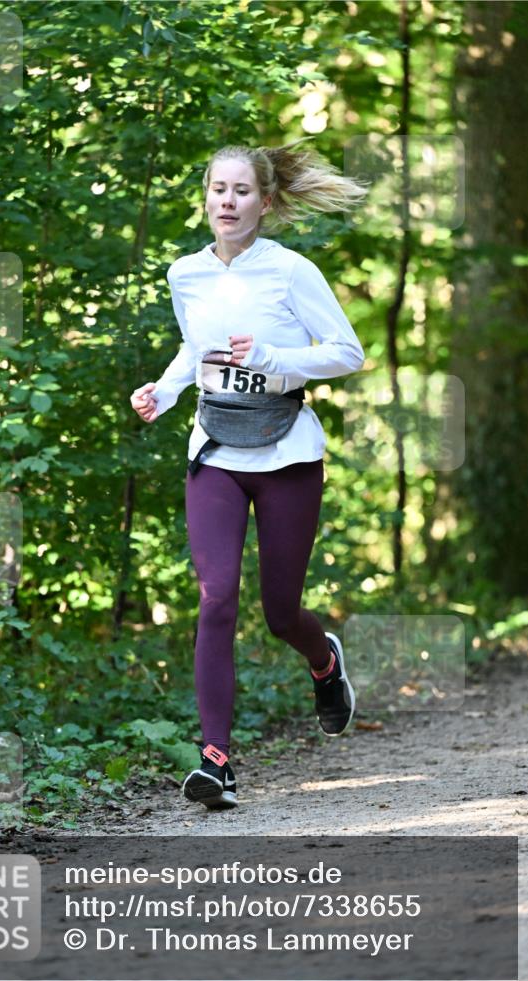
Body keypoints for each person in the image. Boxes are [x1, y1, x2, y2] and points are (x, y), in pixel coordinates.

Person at [130, 139, 369, 810]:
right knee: (216, 596)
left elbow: (345, 352)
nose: (227, 201)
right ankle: (216, 761)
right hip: (215, 453)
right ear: (205, 197)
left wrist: (271, 358)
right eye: (217, 189)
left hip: (287, 454)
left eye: (240, 191)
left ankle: (323, 661)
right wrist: (165, 391)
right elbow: (193, 348)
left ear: (264, 202)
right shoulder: (185, 274)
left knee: (277, 612)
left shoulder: (290, 272)